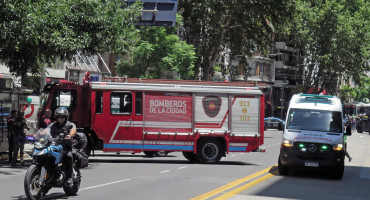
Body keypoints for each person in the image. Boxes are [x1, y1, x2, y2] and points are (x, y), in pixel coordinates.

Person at [46, 107, 76, 185]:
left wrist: (70, 135)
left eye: (62, 117)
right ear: (56, 117)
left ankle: (69, 176)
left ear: (66, 117)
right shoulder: (52, 125)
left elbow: (73, 130)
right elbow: (46, 130)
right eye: (59, 117)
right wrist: (38, 134)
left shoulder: (70, 124)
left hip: (65, 146)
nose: (61, 118)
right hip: (54, 145)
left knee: (68, 156)